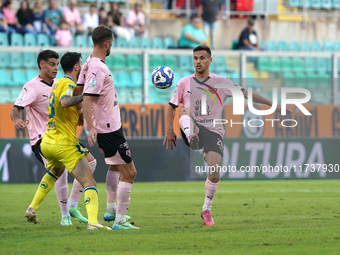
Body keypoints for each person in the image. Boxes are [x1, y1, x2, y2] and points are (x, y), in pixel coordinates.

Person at [163, 45, 287, 225]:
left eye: (202, 58)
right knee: (184, 110)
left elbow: (246, 94)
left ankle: (206, 209)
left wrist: (273, 105)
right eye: (196, 58)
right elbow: (171, 107)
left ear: (210, 60)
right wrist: (169, 130)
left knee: (214, 171)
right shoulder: (184, 83)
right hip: (193, 127)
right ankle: (191, 136)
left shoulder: (222, 82)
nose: (198, 61)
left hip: (214, 132)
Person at [24, 52, 111, 230]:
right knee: (89, 182)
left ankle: (32, 208)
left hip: (48, 142)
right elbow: (64, 102)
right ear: (77, 67)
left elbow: (63, 102)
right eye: (82, 65)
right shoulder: (67, 83)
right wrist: (88, 96)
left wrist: (79, 111)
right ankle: (93, 222)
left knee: (55, 172)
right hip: (64, 143)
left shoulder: (57, 84)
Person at [10, 50, 96, 226]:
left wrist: (79, 111)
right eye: (51, 64)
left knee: (90, 163)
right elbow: (15, 108)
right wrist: (16, 119)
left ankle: (70, 205)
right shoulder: (31, 86)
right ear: (41, 65)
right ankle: (65, 216)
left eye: (57, 64)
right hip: (42, 137)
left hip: (60, 134)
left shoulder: (59, 83)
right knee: (61, 173)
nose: (55, 67)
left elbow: (69, 99)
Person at [79, 26, 138, 230]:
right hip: (107, 128)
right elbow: (87, 97)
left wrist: (83, 118)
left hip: (108, 125)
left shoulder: (88, 64)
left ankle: (111, 211)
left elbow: (79, 90)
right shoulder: (98, 68)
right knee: (130, 172)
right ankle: (120, 221)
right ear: (107, 43)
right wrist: (92, 127)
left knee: (114, 165)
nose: (111, 45)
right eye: (111, 43)